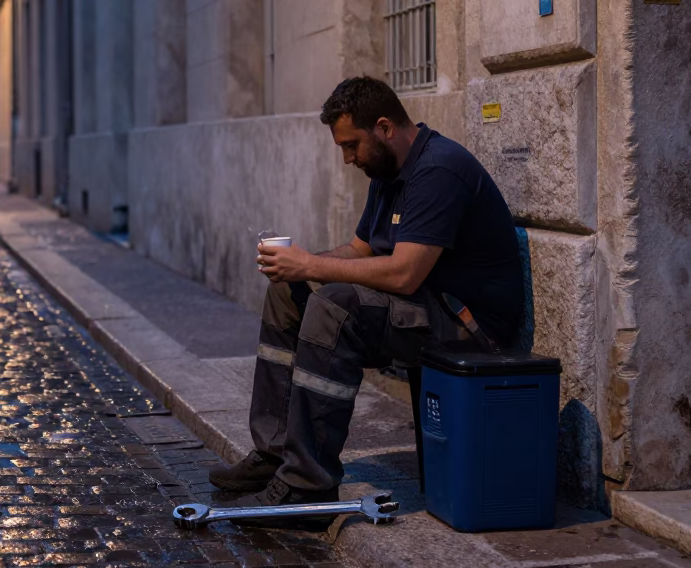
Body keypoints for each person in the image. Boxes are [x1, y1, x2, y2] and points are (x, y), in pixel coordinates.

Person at [207, 76, 524, 529]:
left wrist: (311, 268)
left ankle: (309, 483)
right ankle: (274, 453)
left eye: (351, 145)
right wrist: (297, 265)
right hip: (420, 305)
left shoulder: (438, 170)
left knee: (336, 306)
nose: (347, 158)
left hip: (467, 324)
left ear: (384, 127)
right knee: (287, 296)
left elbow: (403, 271)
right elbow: (360, 251)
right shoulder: (387, 170)